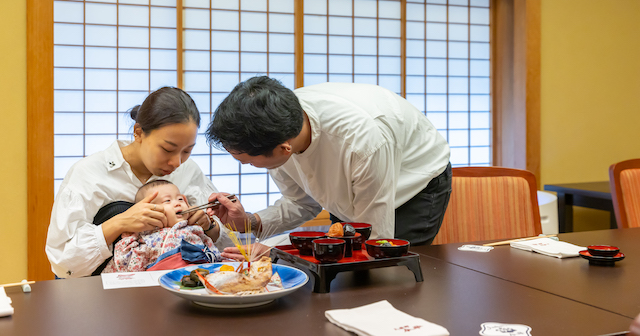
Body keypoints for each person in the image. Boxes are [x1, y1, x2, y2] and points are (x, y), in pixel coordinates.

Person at [206, 76, 452, 257]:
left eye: (246, 161)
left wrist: (276, 251)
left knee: (386, 269)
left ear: (284, 149)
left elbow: (374, 236)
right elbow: (301, 202)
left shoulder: (361, 142)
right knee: (340, 262)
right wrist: (249, 222)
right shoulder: (274, 124)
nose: (245, 165)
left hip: (415, 181)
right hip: (365, 173)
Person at [46, 87, 229, 278]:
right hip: (103, 295)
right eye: (168, 149)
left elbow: (221, 244)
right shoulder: (89, 173)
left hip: (181, 289)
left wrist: (208, 225)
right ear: (139, 133)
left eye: (187, 151)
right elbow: (62, 263)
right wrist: (119, 222)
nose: (177, 162)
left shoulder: (188, 171)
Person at [103, 180, 222, 273]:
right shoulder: (145, 236)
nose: (177, 203)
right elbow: (125, 263)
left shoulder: (194, 229)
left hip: (195, 277)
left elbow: (211, 251)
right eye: (167, 201)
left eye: (180, 199)